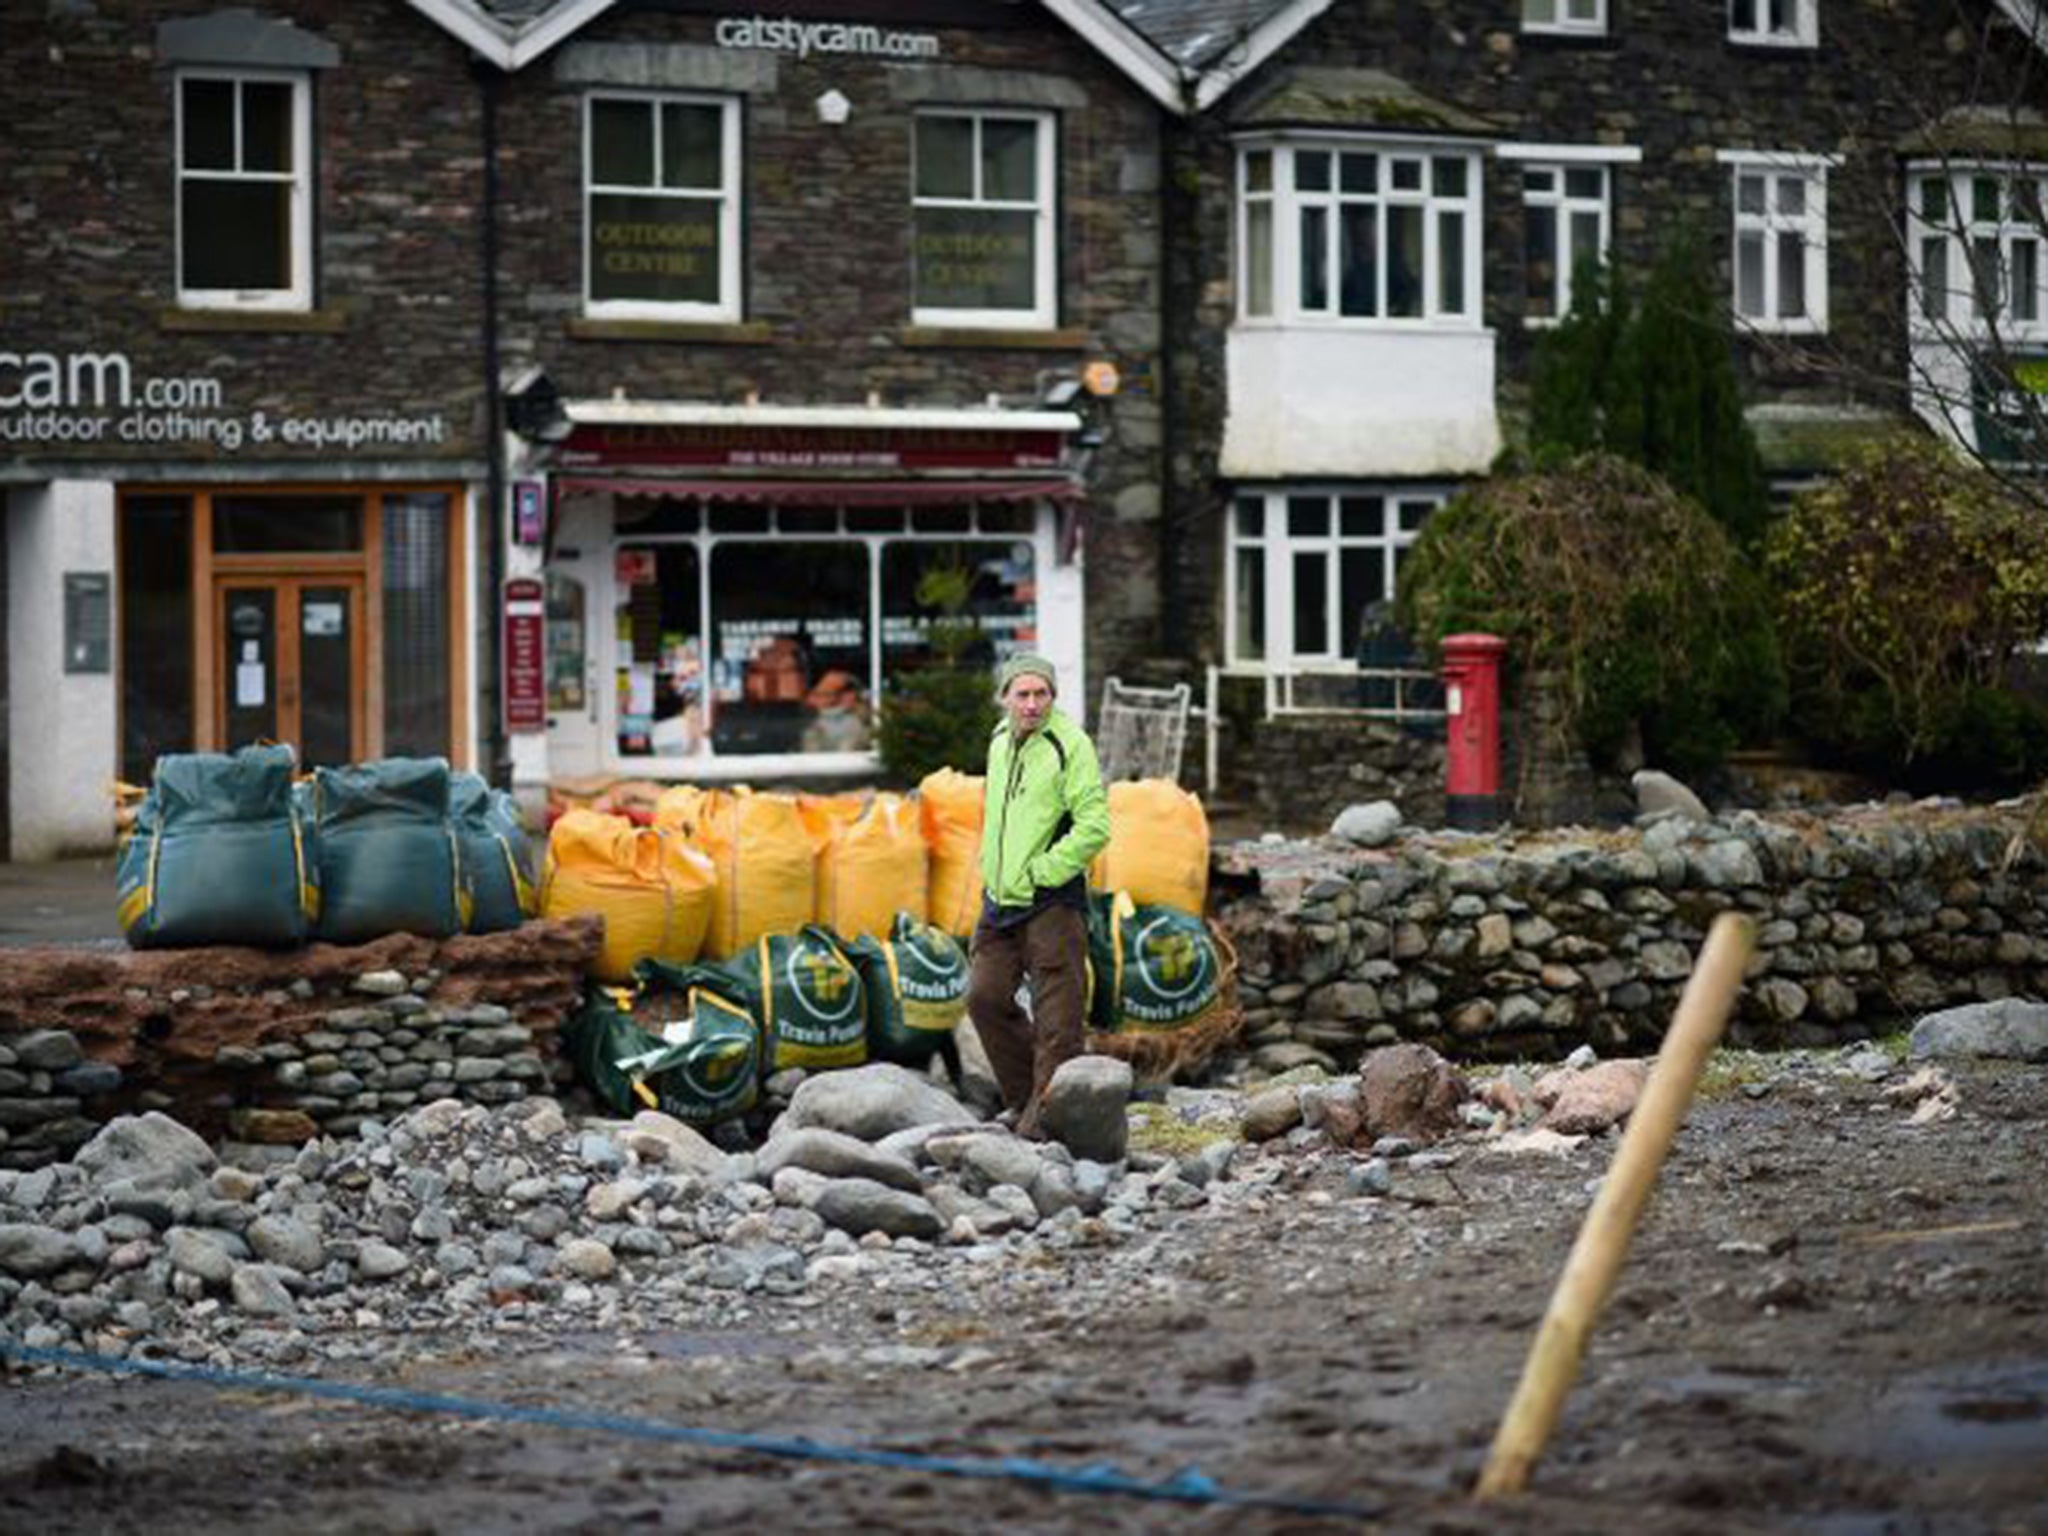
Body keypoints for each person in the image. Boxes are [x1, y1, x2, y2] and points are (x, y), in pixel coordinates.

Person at [966, 653, 1111, 1138]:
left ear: (1052, 696)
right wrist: (994, 871)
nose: (1031, 705)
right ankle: (1025, 1098)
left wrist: (1041, 872)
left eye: (1041, 694)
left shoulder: (1070, 745)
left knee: (1058, 1021)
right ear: (1005, 696)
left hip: (1052, 901)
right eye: (1022, 694)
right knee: (984, 997)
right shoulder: (999, 739)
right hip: (1000, 899)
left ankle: (1047, 1124)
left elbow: (1094, 827)